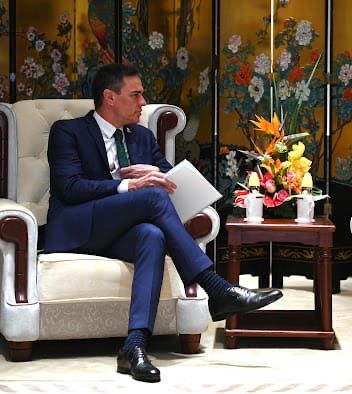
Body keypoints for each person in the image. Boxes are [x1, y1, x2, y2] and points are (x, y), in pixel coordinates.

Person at [45, 63, 283, 383]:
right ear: (109, 97)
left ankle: (135, 345)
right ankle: (216, 288)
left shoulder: (142, 137)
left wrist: (160, 180)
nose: (144, 103)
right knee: (152, 199)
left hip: (123, 232)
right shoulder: (68, 131)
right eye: (136, 94)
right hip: (78, 226)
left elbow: (171, 182)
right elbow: (70, 188)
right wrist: (129, 186)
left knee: (152, 235)